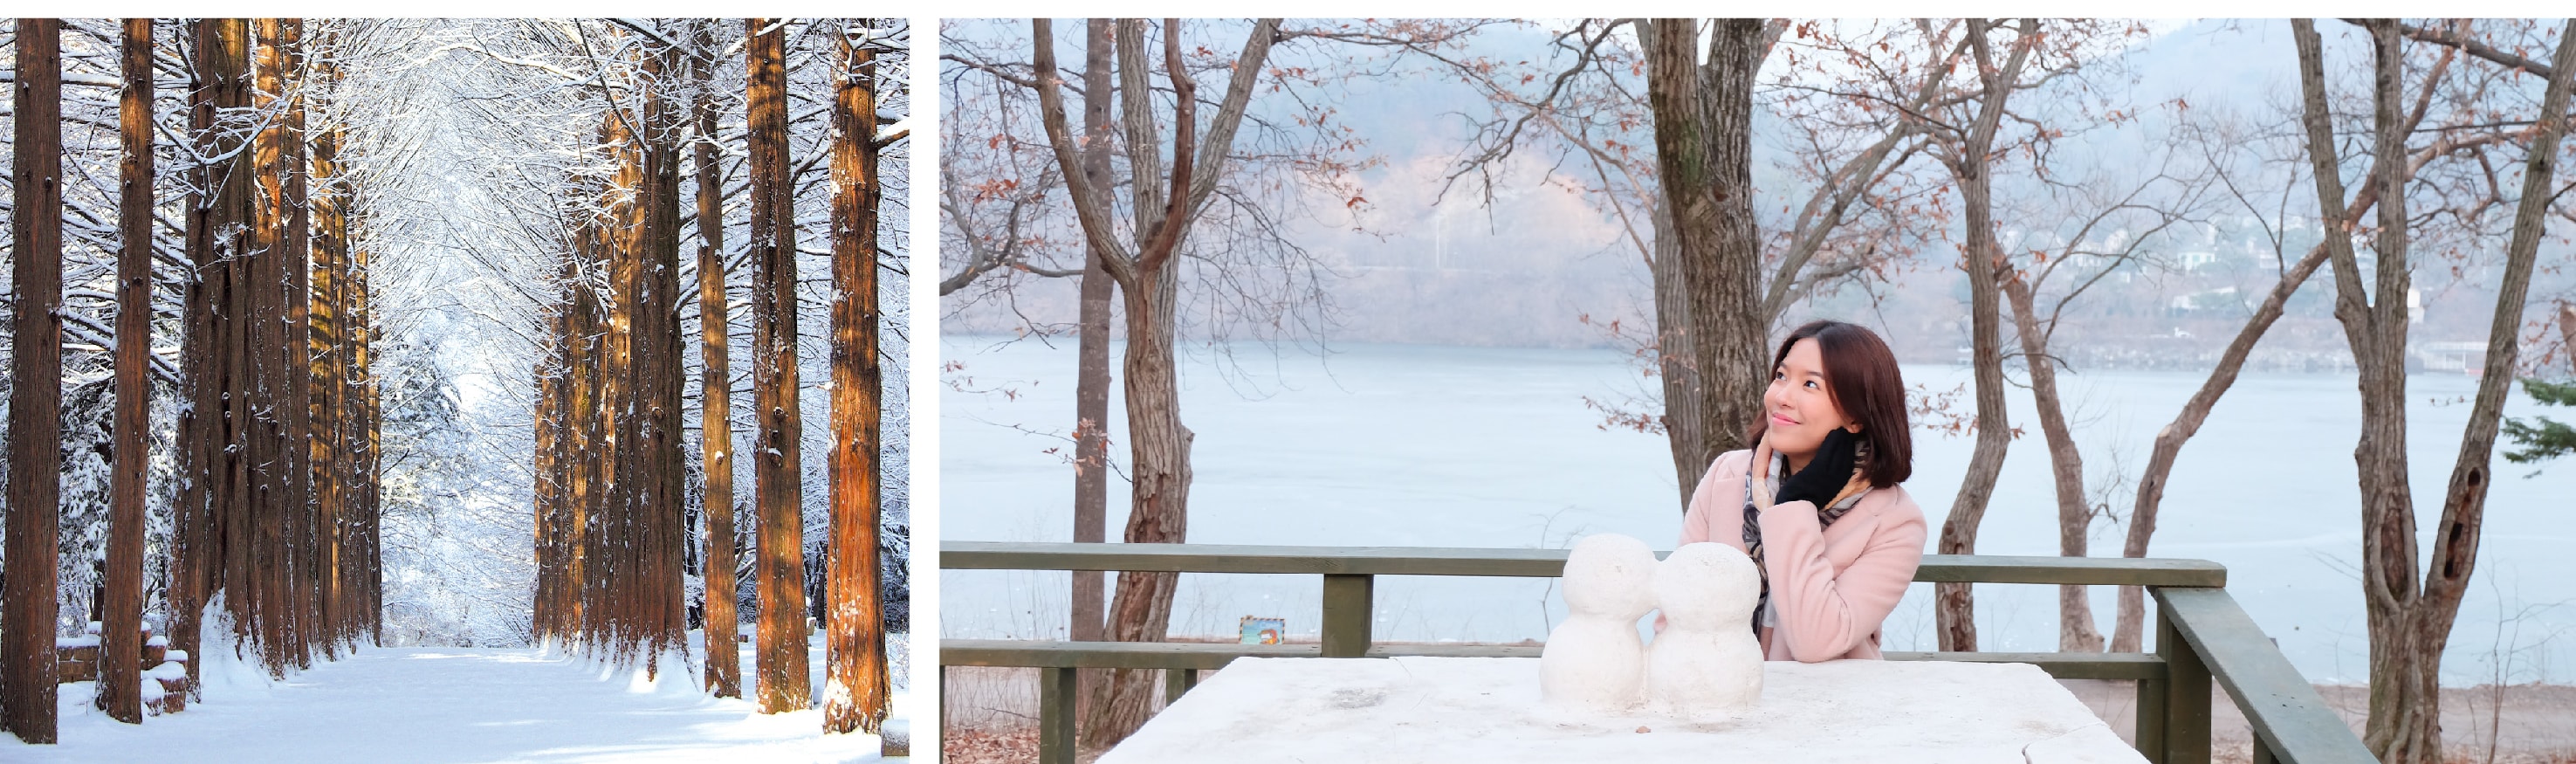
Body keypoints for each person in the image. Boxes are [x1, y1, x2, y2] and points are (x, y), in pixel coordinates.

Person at [1670, 319, 1926, 662]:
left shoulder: (1894, 523)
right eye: (1781, 377)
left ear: (1856, 416)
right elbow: (1675, 615)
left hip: (1827, 707)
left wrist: (1793, 506)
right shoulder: (1726, 476)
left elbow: (1816, 641)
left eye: (1809, 384)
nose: (1782, 397)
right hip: (1719, 700)